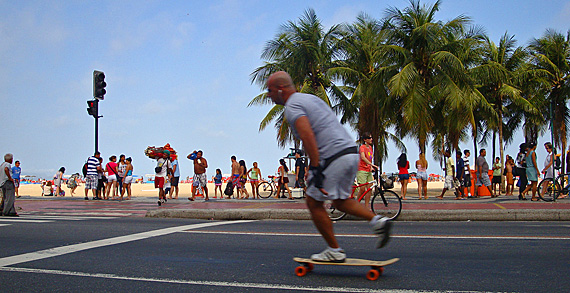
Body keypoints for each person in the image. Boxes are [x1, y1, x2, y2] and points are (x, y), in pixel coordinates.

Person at [266, 71, 391, 262]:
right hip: (349, 153)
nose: (268, 95)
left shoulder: (292, 106)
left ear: (281, 89)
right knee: (340, 201)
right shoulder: (310, 99)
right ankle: (378, 221)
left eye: (270, 90)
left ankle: (334, 250)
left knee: (313, 202)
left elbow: (308, 136)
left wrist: (315, 169)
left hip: (332, 157)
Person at [357, 133, 377, 206]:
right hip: (362, 170)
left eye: (371, 137)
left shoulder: (370, 148)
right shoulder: (362, 147)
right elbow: (363, 157)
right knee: (362, 189)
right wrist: (372, 164)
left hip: (368, 170)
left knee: (369, 189)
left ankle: (366, 206)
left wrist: (371, 167)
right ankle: (356, 204)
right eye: (369, 138)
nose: (371, 139)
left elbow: (370, 158)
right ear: (365, 139)